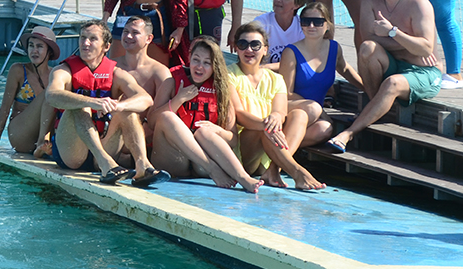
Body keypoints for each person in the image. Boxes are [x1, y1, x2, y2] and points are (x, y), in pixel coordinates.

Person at [324, 0, 441, 153]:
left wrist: (392, 32)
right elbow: (368, 40)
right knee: (367, 48)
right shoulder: (370, 1)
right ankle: (376, 107)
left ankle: (349, 133)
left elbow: (425, 49)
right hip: (393, 64)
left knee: (392, 82)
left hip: (423, 72)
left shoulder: (419, 3)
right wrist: (410, 45)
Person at [45, 20, 169, 186]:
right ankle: (105, 164)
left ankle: (143, 166)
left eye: (92, 39)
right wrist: (93, 102)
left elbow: (145, 99)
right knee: (80, 107)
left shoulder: (116, 73)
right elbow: (52, 95)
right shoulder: (64, 70)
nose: (85, 43)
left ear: (106, 47)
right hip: (71, 153)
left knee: (129, 110)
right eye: (82, 38)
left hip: (105, 145)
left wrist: (118, 106)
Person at [150, 36, 262, 192]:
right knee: (167, 116)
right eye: (196, 60)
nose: (199, 67)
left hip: (200, 166)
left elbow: (233, 139)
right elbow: (152, 121)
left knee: (204, 132)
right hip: (174, 159)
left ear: (214, 66)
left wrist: (217, 130)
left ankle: (243, 177)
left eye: (207, 63)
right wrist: (178, 99)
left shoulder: (223, 90)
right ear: (189, 58)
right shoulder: (172, 82)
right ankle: (213, 169)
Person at [228, 22, 325, 190]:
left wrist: (275, 118)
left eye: (255, 45)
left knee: (299, 114)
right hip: (244, 148)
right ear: (236, 48)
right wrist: (266, 124)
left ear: (265, 49)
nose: (249, 50)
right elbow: (239, 114)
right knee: (264, 128)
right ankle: (297, 171)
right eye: (243, 44)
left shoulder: (275, 79)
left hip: (270, 147)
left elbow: (280, 111)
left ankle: (274, 169)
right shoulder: (229, 75)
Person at [276, 2, 365, 150]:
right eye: (306, 21)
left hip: (313, 113)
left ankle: (276, 151)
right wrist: (319, 110)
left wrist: (369, 89)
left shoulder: (334, 48)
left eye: (317, 22)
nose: (311, 26)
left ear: (328, 25)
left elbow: (345, 69)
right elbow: (286, 94)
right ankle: (279, 157)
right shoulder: (291, 52)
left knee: (325, 129)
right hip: (291, 109)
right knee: (312, 109)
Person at [0, 26, 60, 160]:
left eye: (40, 46)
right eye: (31, 46)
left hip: (46, 138)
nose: (34, 51)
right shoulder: (18, 70)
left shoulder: (56, 74)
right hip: (20, 135)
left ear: (49, 51)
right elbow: (5, 108)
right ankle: (42, 141)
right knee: (50, 93)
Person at [112, 16, 174, 150]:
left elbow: (157, 119)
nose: (128, 36)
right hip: (112, 135)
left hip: (144, 141)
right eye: (125, 31)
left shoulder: (160, 73)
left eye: (135, 33)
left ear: (149, 38)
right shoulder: (111, 66)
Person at [254, 0, 309, 70]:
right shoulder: (261, 23)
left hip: (290, 74)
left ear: (297, 4)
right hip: (264, 76)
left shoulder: (303, 27)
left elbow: (301, 62)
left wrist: (265, 67)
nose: (278, 0)